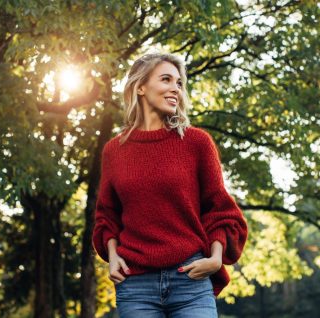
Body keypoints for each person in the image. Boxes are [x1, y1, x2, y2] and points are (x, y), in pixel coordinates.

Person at [92, 53, 248, 318]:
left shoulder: (196, 142)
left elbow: (219, 208)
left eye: (179, 83)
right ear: (140, 87)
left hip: (190, 278)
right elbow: (107, 215)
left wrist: (215, 258)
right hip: (135, 284)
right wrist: (112, 254)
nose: (175, 88)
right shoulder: (113, 151)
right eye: (166, 79)